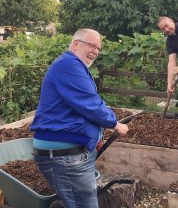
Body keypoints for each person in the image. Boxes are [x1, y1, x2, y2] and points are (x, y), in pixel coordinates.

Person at [30, 29, 129, 208]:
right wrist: (114, 123)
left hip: (69, 154)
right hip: (65, 156)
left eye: (98, 48)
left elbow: (84, 102)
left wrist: (97, 133)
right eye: (92, 45)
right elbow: (89, 103)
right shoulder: (69, 65)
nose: (96, 51)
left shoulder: (73, 65)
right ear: (76, 44)